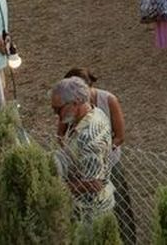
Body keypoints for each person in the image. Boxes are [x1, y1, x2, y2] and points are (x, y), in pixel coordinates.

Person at [50, 76, 116, 225]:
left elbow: (94, 184)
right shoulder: (94, 112)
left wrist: (58, 188)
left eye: (58, 109)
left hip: (91, 212)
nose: (56, 114)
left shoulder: (89, 137)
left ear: (76, 103)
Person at [60, 69, 126, 151]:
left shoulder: (109, 100)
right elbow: (60, 133)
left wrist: (101, 152)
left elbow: (120, 137)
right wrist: (69, 151)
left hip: (108, 157)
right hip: (77, 157)